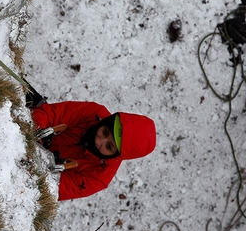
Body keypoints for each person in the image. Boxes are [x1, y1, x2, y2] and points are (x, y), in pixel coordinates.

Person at [25, 80, 156, 201]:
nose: (99, 141)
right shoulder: (94, 113)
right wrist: (37, 129)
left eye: (109, 146)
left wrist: (37, 157)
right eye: (105, 132)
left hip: (36, 167)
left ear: (116, 155)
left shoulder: (98, 177)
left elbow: (50, 189)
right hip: (34, 129)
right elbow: (50, 113)